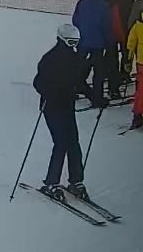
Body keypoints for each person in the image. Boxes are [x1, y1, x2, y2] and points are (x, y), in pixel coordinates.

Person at [33, 24, 104, 199]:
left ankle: (76, 181)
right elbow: (38, 83)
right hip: (52, 107)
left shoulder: (75, 59)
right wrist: (51, 92)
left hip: (67, 106)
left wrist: (95, 97)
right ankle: (51, 182)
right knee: (61, 143)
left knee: (73, 143)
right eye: (71, 41)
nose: (73, 45)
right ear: (62, 39)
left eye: (76, 42)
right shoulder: (49, 59)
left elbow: (79, 81)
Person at [72, 0, 113, 101]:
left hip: (83, 42)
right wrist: (109, 43)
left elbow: (75, 20)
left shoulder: (82, 2)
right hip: (98, 44)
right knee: (98, 71)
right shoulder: (104, 6)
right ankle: (97, 97)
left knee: (80, 67)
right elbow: (106, 26)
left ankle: (76, 87)